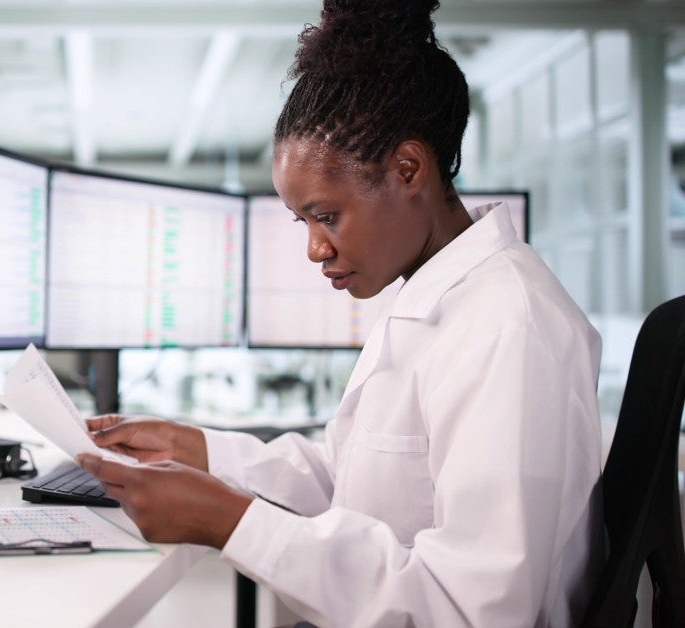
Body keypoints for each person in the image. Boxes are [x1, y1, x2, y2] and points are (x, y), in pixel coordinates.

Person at [74, 1, 604, 625]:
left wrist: (229, 522)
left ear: (408, 170)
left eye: (327, 216)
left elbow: (473, 610)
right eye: (304, 221)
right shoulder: (440, 299)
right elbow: (351, 482)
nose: (313, 248)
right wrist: (197, 450)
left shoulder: (509, 328)